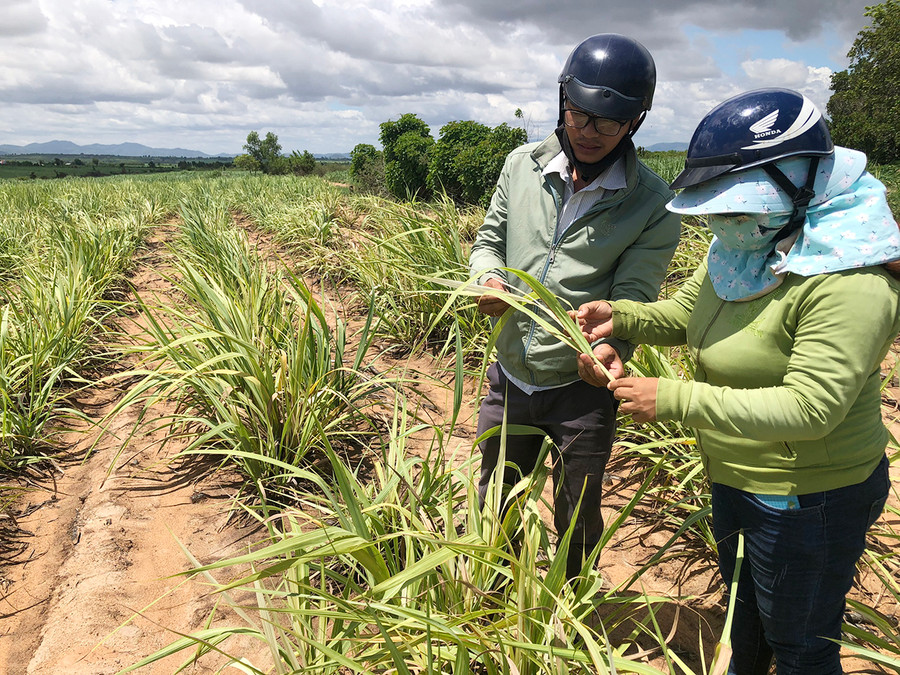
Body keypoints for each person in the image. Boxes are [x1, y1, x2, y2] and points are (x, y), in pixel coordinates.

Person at [575, 87, 900, 674]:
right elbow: (688, 316)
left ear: (798, 186)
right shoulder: (744, 247)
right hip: (736, 478)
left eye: (733, 206)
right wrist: (619, 316)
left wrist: (671, 397)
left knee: (801, 645)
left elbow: (811, 410)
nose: (721, 220)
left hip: (808, 499)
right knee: (744, 619)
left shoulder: (849, 282)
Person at [469, 33, 682, 579]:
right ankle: (495, 595)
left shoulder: (654, 206)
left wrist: (608, 346)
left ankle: (570, 605)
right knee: (496, 495)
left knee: (577, 510)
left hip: (580, 386)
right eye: (578, 115)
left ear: (634, 123)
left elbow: (635, 297)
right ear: (563, 101)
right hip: (510, 372)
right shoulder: (521, 166)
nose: (588, 133)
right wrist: (488, 277)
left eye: (608, 123)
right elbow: (490, 239)